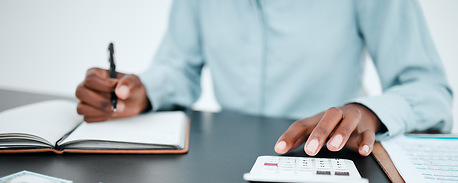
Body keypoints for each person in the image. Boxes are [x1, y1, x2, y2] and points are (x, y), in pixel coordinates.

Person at [75, 0, 453, 157]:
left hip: (336, 157)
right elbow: (179, 66)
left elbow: (430, 90)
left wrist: (367, 113)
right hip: (224, 162)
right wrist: (143, 92)